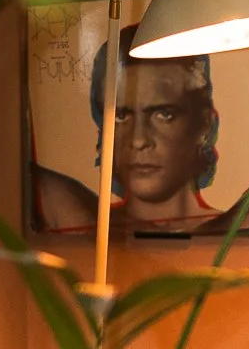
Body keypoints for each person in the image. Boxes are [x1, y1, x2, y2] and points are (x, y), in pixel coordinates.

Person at [92, 29, 224, 232]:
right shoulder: (85, 225)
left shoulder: (234, 228)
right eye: (121, 116)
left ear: (204, 123)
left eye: (164, 114)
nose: (139, 140)